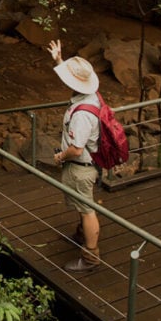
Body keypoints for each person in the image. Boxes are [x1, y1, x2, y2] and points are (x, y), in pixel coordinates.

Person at [48, 39, 102, 272]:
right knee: (83, 206)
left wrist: (60, 157)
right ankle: (81, 235)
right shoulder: (93, 96)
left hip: (81, 167)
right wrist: (59, 60)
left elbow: (77, 149)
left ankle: (90, 257)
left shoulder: (81, 116)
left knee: (87, 209)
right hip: (91, 163)